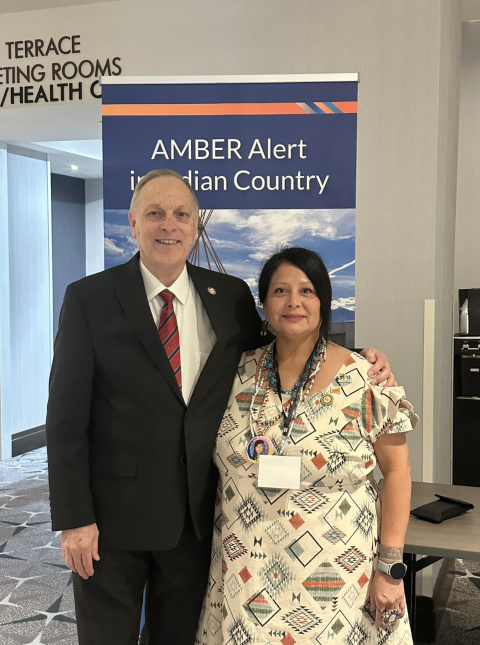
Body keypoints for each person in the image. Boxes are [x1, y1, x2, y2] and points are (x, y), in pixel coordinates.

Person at [46, 169, 394, 645]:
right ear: (133, 222)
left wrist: (361, 358)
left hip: (197, 521)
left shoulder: (227, 297)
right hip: (112, 521)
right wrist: (74, 519)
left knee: (177, 636)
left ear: (196, 226)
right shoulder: (88, 298)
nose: (168, 225)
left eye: (181, 214)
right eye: (155, 213)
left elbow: (284, 343)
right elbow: (65, 420)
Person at [196, 247, 418, 645]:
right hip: (245, 576)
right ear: (264, 304)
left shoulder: (365, 378)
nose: (293, 302)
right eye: (280, 291)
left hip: (336, 584)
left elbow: (398, 472)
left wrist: (390, 567)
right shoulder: (234, 372)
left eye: (307, 290)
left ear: (323, 302)